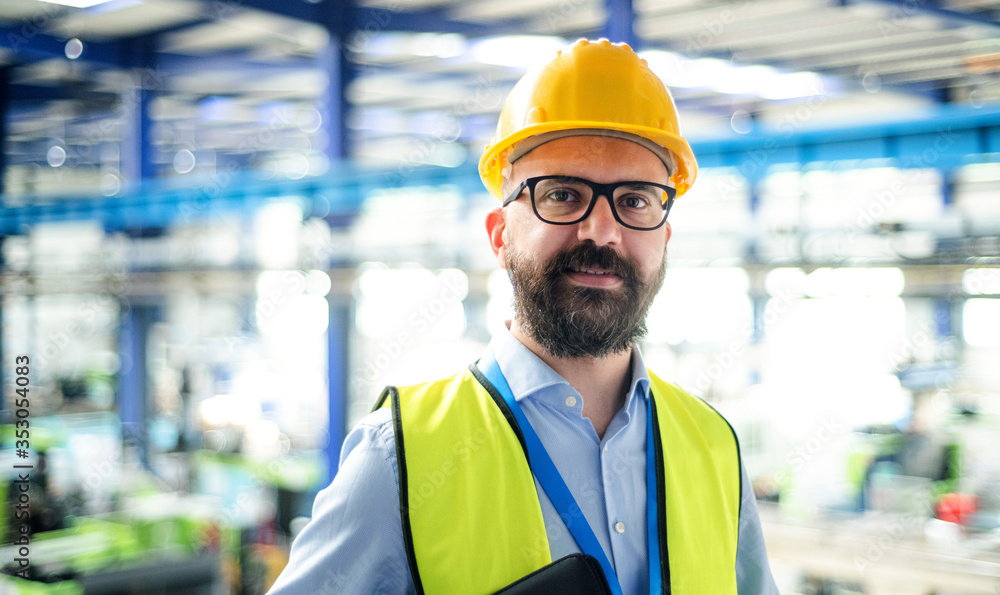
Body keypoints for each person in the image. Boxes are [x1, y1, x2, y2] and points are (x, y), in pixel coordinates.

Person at [268, 39, 778, 594]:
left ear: (665, 236)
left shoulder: (713, 447)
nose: (602, 231)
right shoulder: (397, 457)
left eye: (634, 200)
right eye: (562, 194)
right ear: (499, 235)